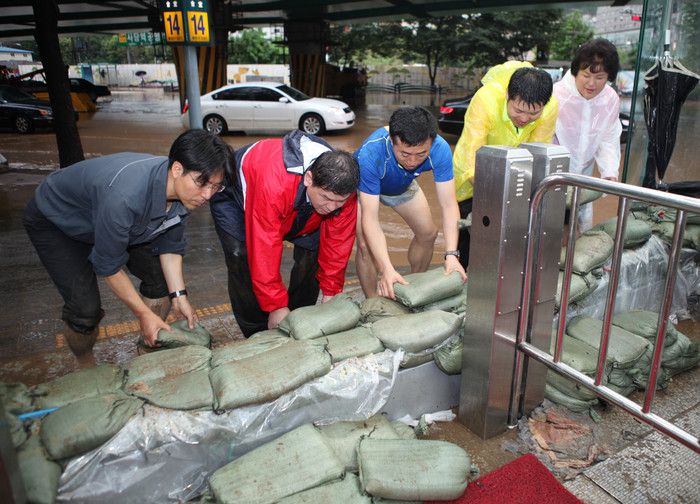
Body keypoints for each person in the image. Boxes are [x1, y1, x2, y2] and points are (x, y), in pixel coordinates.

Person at [23, 129, 232, 369]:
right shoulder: (125, 197)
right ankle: (86, 367)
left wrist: (179, 296)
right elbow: (109, 267)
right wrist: (143, 314)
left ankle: (147, 348)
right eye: (202, 183)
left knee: (159, 281)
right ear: (176, 169)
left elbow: (170, 246)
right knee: (84, 311)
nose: (207, 195)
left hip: (120, 222)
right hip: (58, 221)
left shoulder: (185, 194)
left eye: (215, 187)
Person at [210, 130, 359, 337]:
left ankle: (298, 318)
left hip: (300, 205)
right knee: (240, 256)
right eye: (326, 198)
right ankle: (256, 330)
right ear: (309, 178)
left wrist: (331, 291)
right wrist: (275, 305)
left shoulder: (343, 192)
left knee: (311, 257)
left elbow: (337, 242)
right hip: (239, 198)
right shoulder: (275, 183)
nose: (332, 207)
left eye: (339, 202)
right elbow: (265, 246)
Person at [354, 106, 466, 301]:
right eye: (405, 154)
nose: (412, 161)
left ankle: (413, 286)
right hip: (363, 187)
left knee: (428, 233)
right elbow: (370, 219)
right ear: (392, 141)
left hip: (401, 185)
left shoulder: (440, 149)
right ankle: (372, 302)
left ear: (431, 142)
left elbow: (448, 205)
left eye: (421, 154)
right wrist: (386, 269)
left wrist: (451, 255)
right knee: (365, 245)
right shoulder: (370, 154)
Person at [453, 61, 558, 268]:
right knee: (469, 233)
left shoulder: (550, 106)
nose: (524, 118)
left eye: (533, 114)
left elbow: (537, 153)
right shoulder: (486, 100)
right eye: (518, 110)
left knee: (511, 238)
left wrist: (519, 196)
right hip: (472, 175)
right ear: (508, 94)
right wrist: (498, 196)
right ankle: (463, 277)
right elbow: (473, 156)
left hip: (514, 177)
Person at [553, 38, 622, 232]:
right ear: (576, 71)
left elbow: (608, 137)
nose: (591, 83)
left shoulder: (609, 99)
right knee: (555, 230)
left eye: (599, 77)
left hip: (585, 176)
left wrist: (609, 172)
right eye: (586, 75)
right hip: (554, 175)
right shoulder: (557, 95)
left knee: (581, 229)